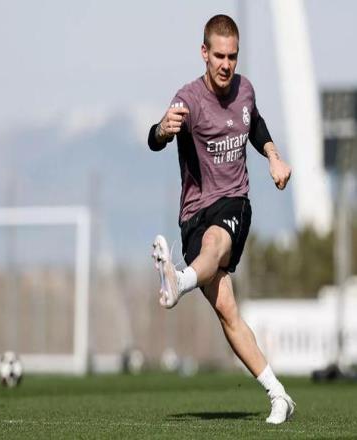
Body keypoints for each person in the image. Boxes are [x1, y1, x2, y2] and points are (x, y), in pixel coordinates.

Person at [147, 14, 294, 424]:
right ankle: (279, 395)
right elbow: (155, 139)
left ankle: (180, 281)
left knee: (216, 243)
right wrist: (162, 130)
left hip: (233, 203)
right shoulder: (188, 99)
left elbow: (254, 123)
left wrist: (274, 156)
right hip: (192, 214)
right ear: (204, 53)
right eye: (219, 56)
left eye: (233, 56)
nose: (226, 64)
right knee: (228, 310)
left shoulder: (245, 89)